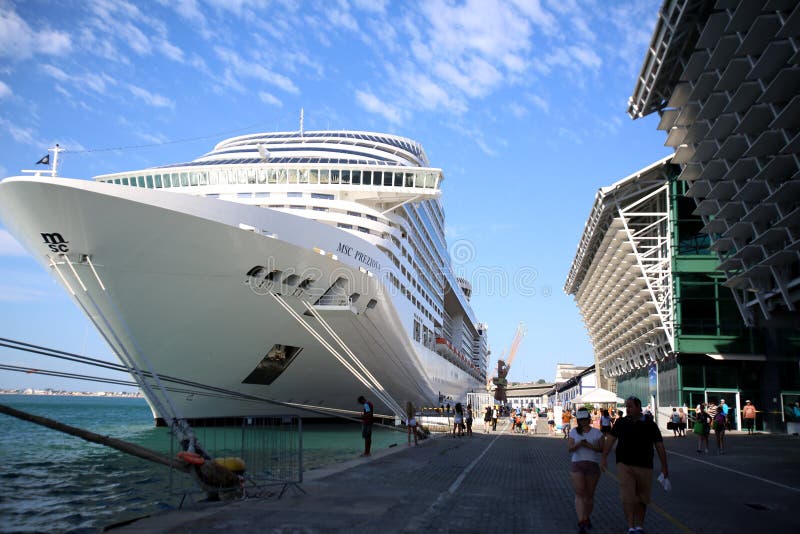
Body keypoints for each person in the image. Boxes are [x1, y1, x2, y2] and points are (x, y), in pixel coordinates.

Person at [601, 396, 668, 534]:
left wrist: (664, 466)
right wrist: (604, 457)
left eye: (630, 406)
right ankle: (631, 527)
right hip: (624, 464)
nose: (627, 409)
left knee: (642, 498)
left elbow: (659, 445)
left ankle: (639, 526)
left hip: (645, 465)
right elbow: (611, 440)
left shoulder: (650, 424)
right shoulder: (621, 423)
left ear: (639, 407)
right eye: (626, 406)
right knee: (628, 496)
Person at [569, 409, 604, 533]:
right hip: (577, 464)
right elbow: (570, 449)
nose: (583, 421)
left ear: (588, 419)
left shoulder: (597, 433)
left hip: (592, 465)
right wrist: (579, 444)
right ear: (578, 420)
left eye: (585, 419)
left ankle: (586, 517)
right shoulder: (574, 432)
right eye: (581, 420)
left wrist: (589, 446)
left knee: (589, 495)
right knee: (579, 492)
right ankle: (581, 520)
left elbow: (602, 449)